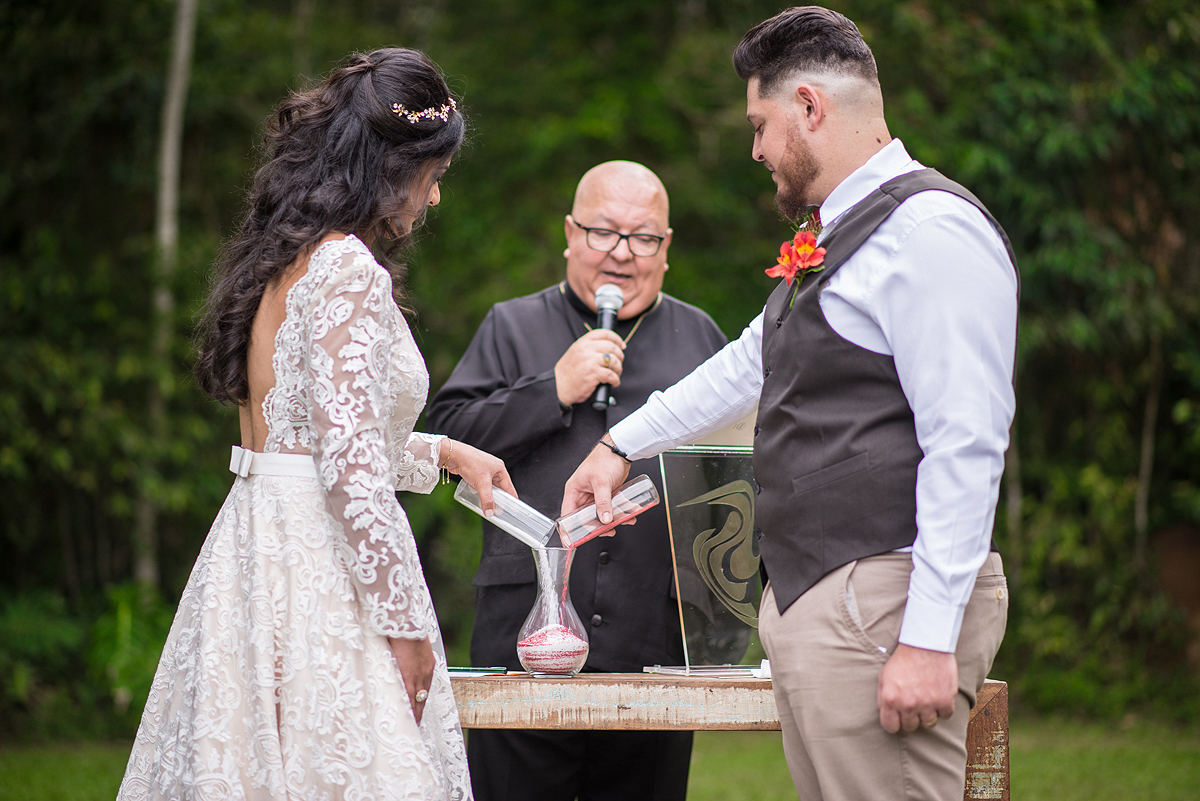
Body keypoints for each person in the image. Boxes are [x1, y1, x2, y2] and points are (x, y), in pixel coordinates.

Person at [563, 8, 1016, 801]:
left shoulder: (930, 232)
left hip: (884, 605)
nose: (756, 149)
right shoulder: (846, 237)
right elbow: (747, 366)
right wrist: (618, 445)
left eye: (761, 124)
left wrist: (929, 636)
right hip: (834, 612)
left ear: (810, 108)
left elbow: (968, 441)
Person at [118, 48, 515, 801]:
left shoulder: (283, 258)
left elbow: (309, 431)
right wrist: (399, 616)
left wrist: (450, 453)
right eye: (433, 178)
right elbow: (347, 460)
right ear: (393, 167)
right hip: (321, 564)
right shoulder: (349, 270)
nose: (433, 201)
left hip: (255, 539)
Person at [426, 160, 727, 801]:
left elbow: (735, 474)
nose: (621, 255)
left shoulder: (700, 338)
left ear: (666, 249)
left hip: (654, 637)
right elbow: (444, 435)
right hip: (521, 636)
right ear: (570, 232)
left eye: (643, 237)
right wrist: (552, 389)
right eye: (602, 232)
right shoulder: (511, 326)